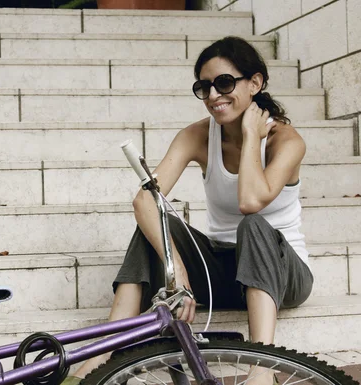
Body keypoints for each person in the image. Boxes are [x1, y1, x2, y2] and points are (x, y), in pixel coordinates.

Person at [61, 35, 314, 385]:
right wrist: (176, 271)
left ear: (255, 83)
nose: (213, 96)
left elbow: (250, 202)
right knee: (155, 225)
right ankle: (103, 354)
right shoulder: (197, 136)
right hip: (225, 271)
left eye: (224, 83)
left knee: (253, 224)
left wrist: (252, 137)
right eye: (204, 87)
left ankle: (261, 369)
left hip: (284, 275)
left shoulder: (287, 141)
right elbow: (144, 199)